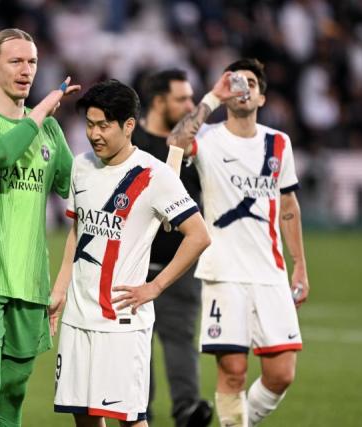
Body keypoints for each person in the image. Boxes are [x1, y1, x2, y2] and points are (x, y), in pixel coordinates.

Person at [49, 79, 211, 427]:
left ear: (128, 125)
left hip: (121, 323)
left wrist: (155, 286)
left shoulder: (154, 174)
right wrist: (60, 290)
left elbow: (198, 235)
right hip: (78, 318)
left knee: (130, 420)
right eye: (89, 125)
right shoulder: (81, 166)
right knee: (85, 418)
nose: (94, 134)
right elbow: (78, 232)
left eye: (103, 125)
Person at [167, 59, 309, 427]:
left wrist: (300, 266)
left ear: (261, 96)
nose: (243, 89)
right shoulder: (207, 138)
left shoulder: (279, 144)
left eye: (250, 83)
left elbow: (289, 206)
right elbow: (175, 142)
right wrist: (213, 96)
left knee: (282, 374)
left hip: (271, 273)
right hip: (224, 271)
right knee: (232, 371)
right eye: (236, 82)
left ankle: (240, 422)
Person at [0, 28, 79, 426]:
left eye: (33, 62)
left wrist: (62, 281)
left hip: (30, 280)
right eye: (16, 61)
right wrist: (40, 112)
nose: (26, 70)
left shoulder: (52, 134)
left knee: (15, 389)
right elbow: (0, 155)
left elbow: (81, 198)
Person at [135, 69, 212, 426]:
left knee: (181, 340)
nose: (190, 106)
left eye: (192, 98)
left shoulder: (197, 149)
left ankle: (188, 411)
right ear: (158, 101)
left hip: (179, 265)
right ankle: (139, 415)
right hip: (133, 267)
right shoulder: (130, 141)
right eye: (182, 99)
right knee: (137, 350)